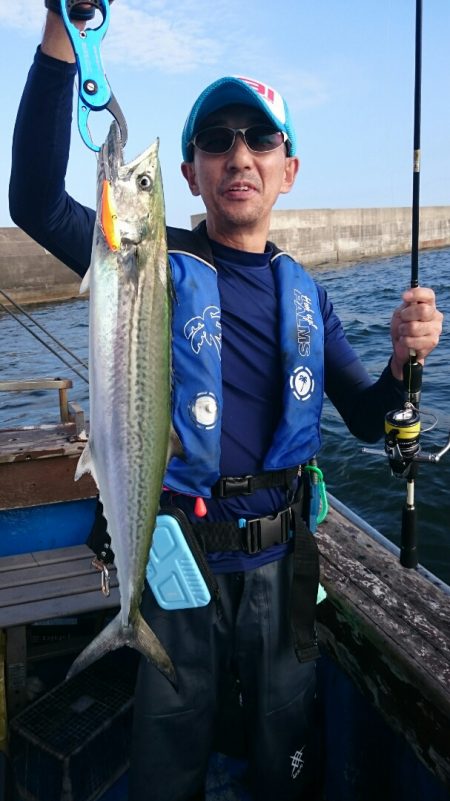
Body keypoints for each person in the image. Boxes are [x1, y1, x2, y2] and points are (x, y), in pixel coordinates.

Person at [9, 6, 443, 801]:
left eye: (259, 139)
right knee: (166, 761)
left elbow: (368, 416)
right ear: (191, 174)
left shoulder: (308, 298)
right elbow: (35, 199)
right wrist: (62, 35)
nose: (238, 155)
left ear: (287, 171)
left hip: (284, 571)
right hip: (180, 565)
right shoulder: (146, 263)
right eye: (216, 141)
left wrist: (399, 362)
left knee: (287, 756)